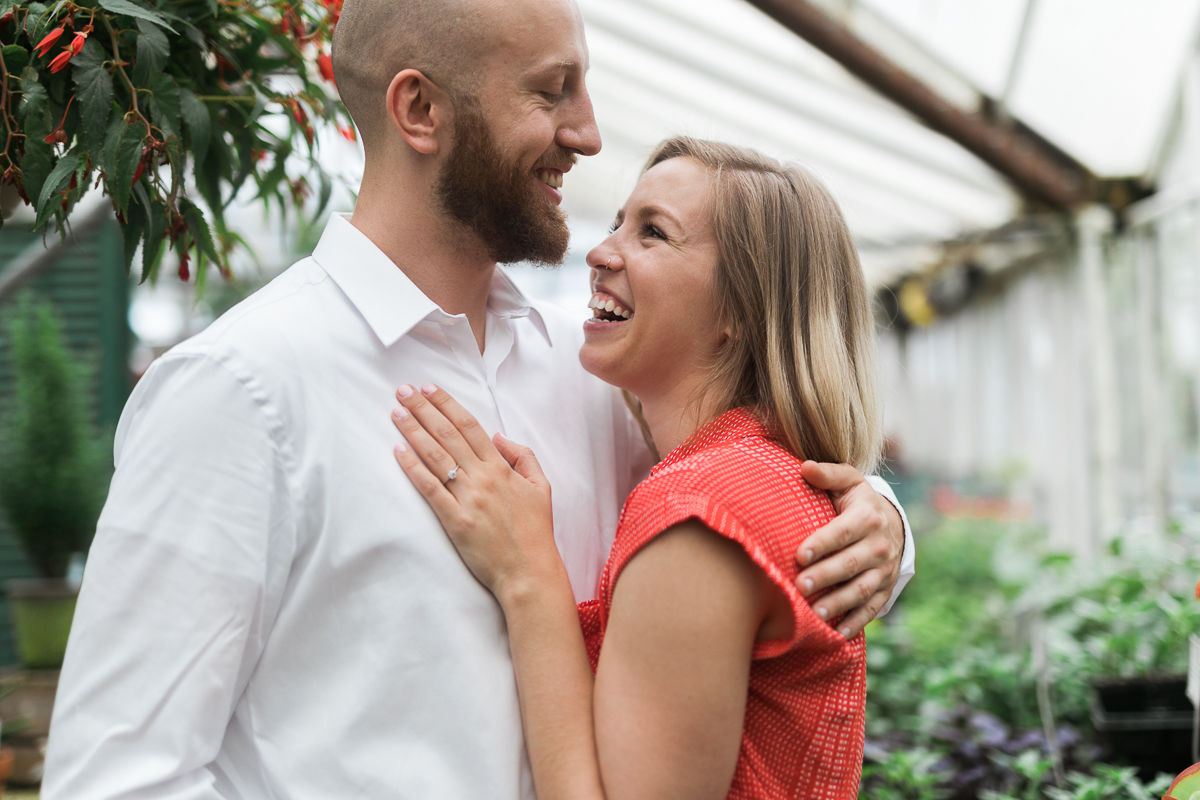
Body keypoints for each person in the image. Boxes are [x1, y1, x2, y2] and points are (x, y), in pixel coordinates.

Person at [41, 1, 912, 798]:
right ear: (421, 111)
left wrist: (876, 519)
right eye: (552, 92)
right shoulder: (240, 391)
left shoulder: (591, 379)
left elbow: (733, 506)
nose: (590, 133)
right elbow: (116, 776)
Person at [392, 136, 880, 798]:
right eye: (620, 221)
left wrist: (528, 576)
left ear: (739, 308)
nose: (599, 251)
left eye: (653, 233)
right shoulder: (765, 471)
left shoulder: (699, 509)